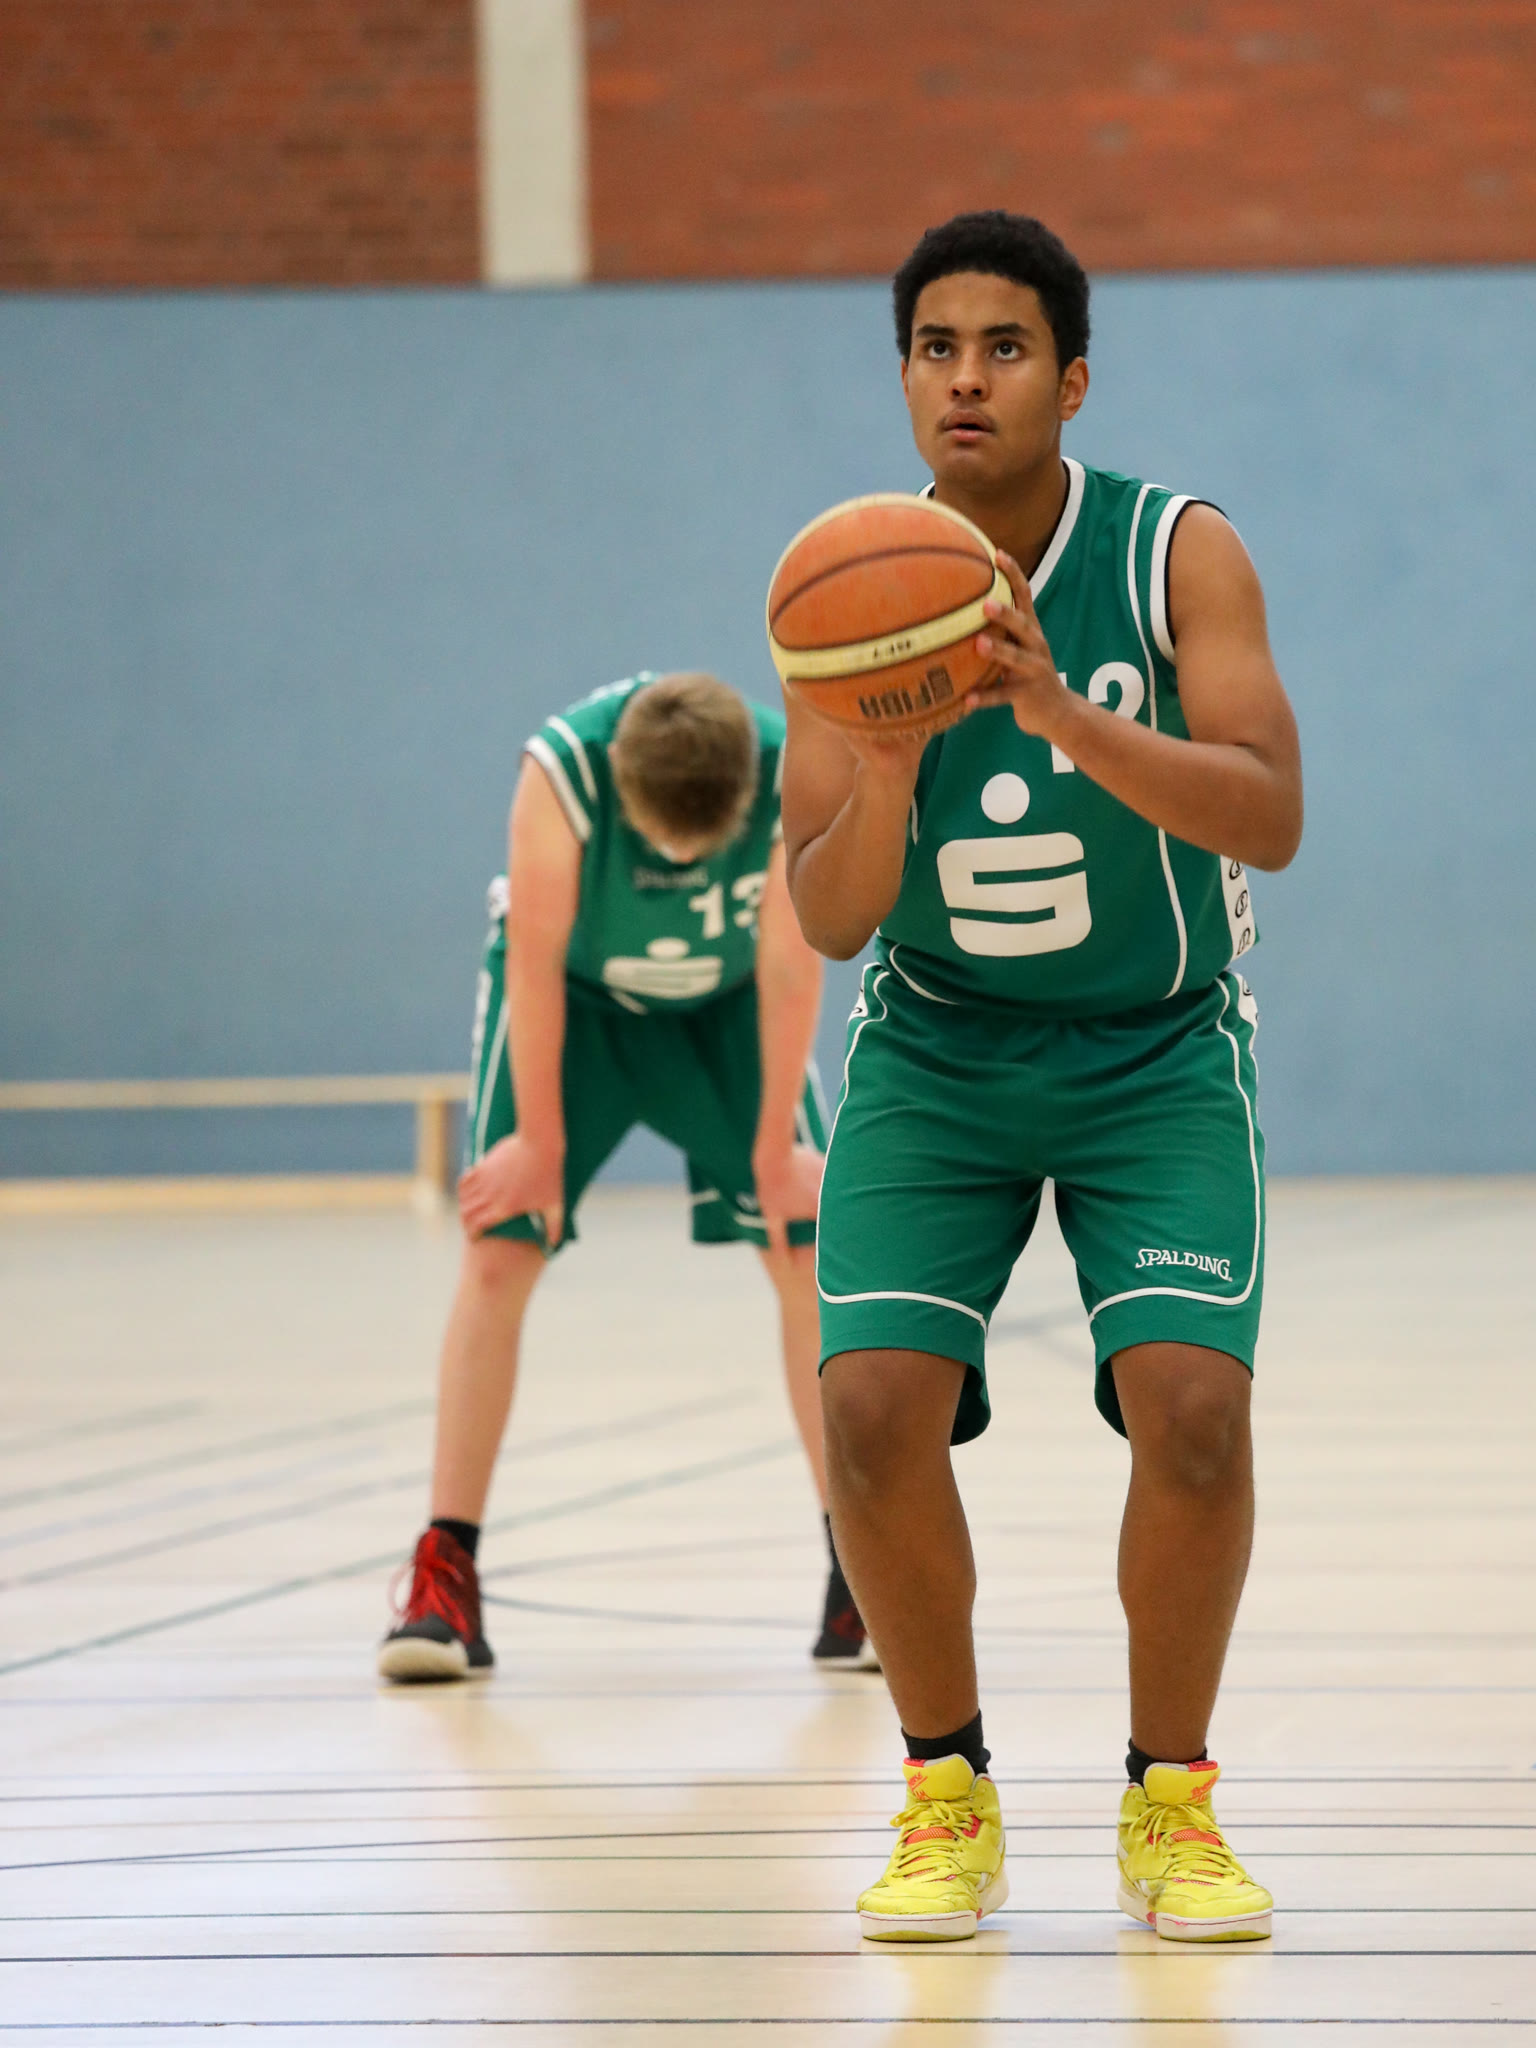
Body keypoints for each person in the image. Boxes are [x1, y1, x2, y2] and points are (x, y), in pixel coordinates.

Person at [780, 212, 1303, 1942]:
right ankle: (946, 1792)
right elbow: (831, 916)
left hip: (1155, 1043)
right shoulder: (846, 583)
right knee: (870, 1410)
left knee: (1195, 1410)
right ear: (903, 377)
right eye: (935, 348)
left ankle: (1171, 1801)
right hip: (941, 1045)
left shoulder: (1176, 552)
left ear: (1070, 380)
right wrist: (888, 760)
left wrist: (1067, 715)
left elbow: (1271, 814)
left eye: (1003, 347)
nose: (966, 378)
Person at [380, 671, 876, 1680]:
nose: (684, 861)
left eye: (701, 844)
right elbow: (532, 955)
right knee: (498, 1248)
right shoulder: (560, 773)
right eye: (665, 844)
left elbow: (792, 962)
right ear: (622, 787)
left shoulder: (789, 770)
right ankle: (445, 1575)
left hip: (727, 1010)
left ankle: (859, 1570)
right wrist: (539, 1142)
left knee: (806, 1247)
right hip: (578, 1008)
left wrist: (775, 1149)